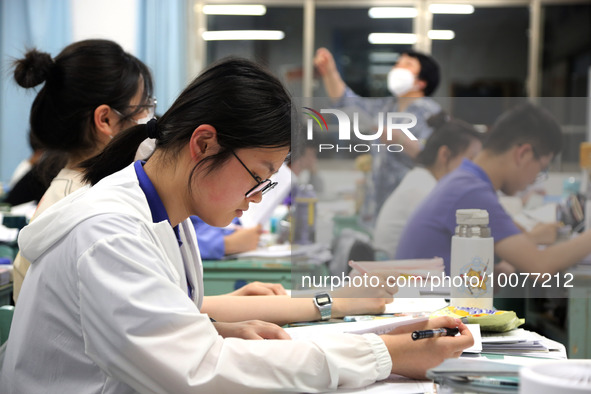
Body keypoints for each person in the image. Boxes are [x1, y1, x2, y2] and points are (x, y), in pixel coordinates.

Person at [1, 58, 473, 392]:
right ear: (204, 144)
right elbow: (201, 373)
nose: (254, 200)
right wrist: (382, 357)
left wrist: (214, 329)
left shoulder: (166, 211)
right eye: (258, 177)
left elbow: (166, 339)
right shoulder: (107, 233)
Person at [10, 39, 156, 303]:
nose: (149, 118)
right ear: (106, 120)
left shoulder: (81, 188)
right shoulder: (88, 207)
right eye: (143, 107)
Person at [395, 102, 590, 276]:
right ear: (523, 154)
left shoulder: (465, 180)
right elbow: (539, 265)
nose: (534, 181)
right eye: (541, 168)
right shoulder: (471, 191)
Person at [314, 47, 441, 215]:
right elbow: (346, 102)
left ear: (421, 82)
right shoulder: (387, 107)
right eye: (397, 63)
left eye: (407, 64)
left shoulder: (431, 114)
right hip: (377, 204)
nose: (397, 68)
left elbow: (433, 158)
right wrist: (329, 72)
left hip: (411, 205)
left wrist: (400, 140)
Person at [373, 114, 484, 259]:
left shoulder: (422, 179)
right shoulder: (423, 189)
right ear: (444, 155)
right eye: (470, 159)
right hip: (399, 275)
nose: (474, 168)